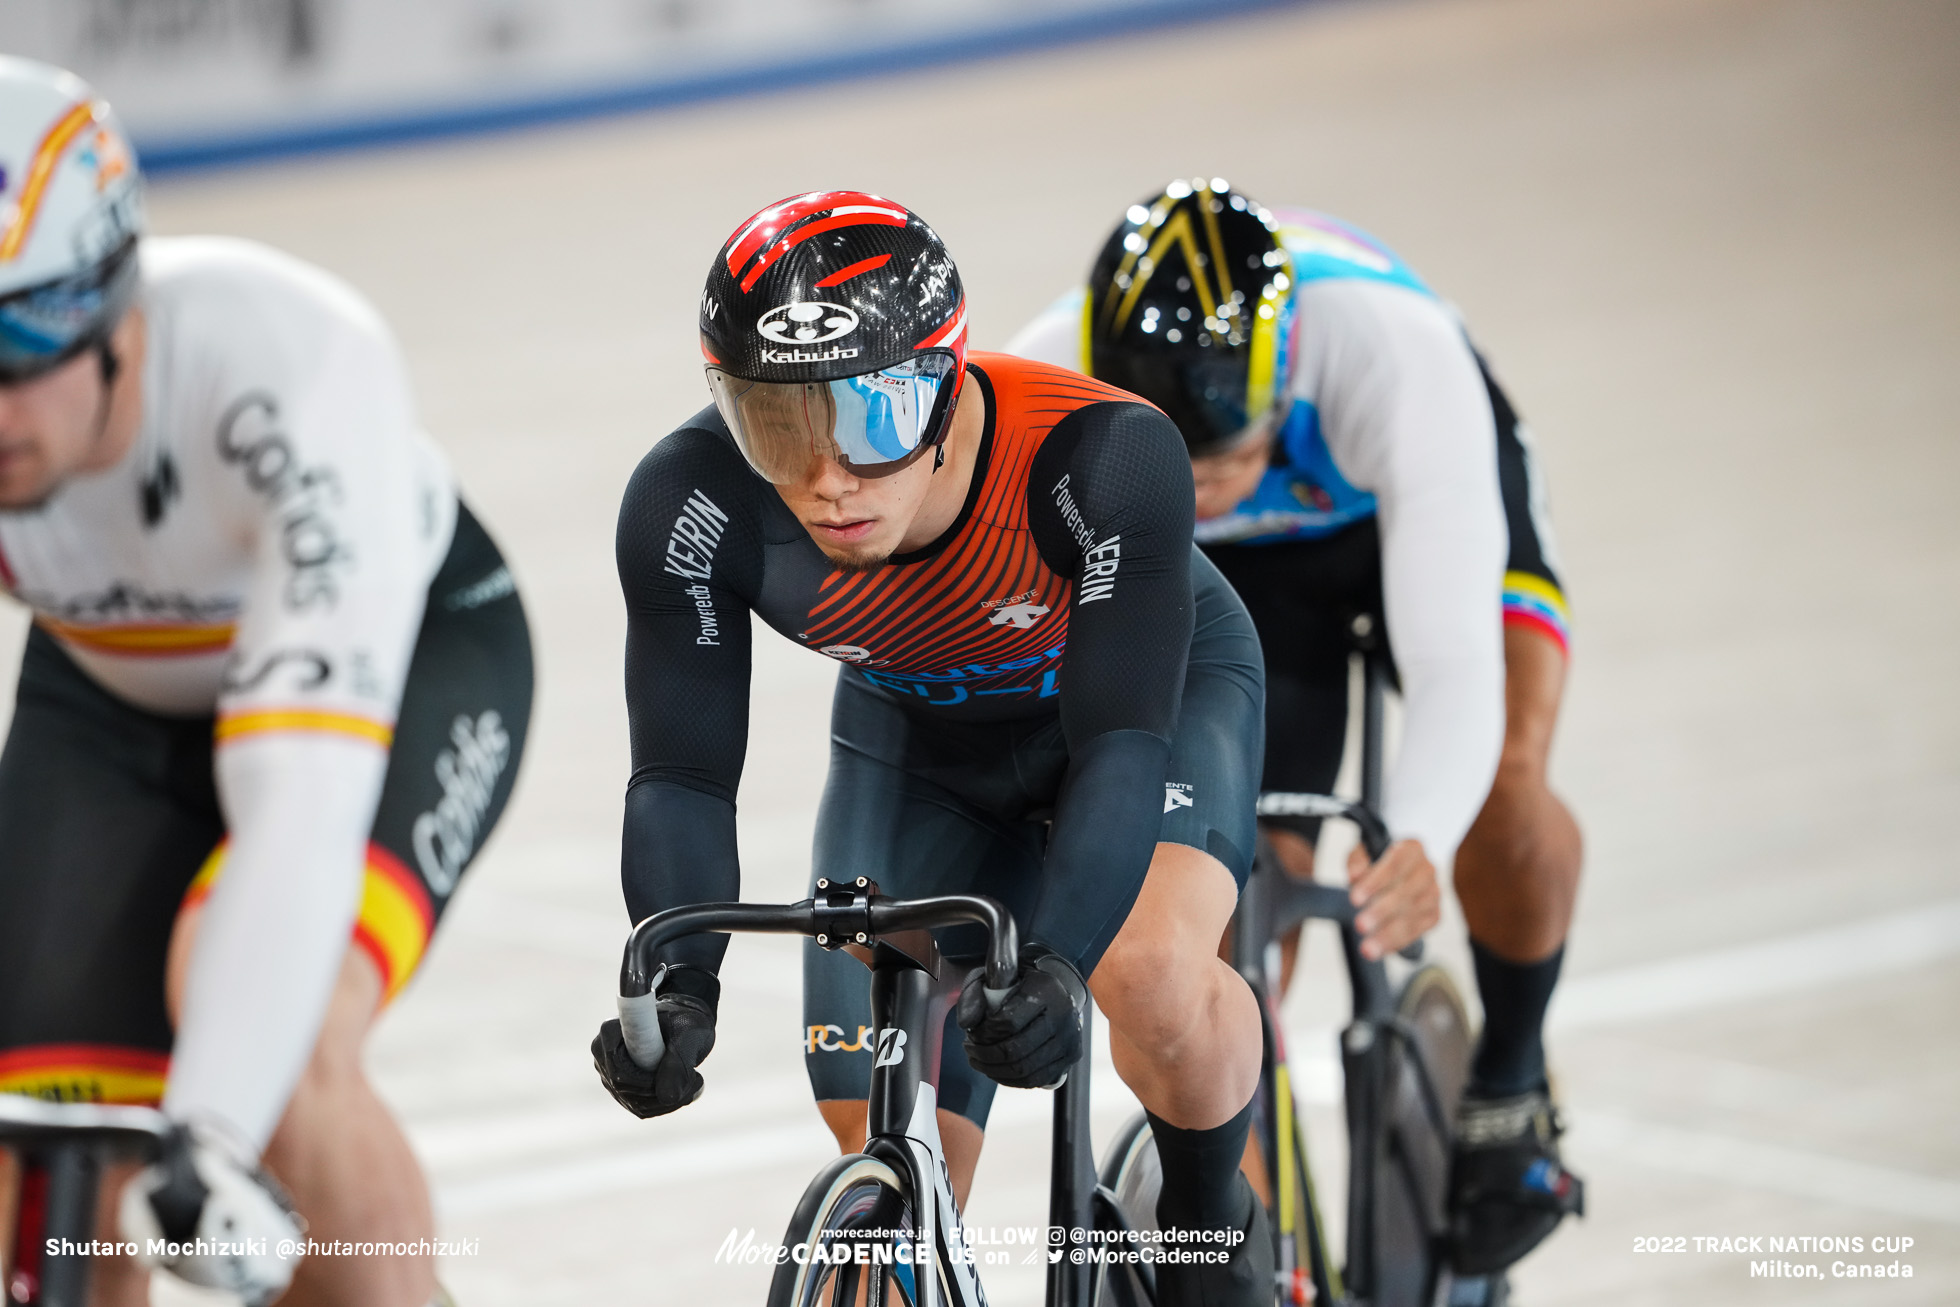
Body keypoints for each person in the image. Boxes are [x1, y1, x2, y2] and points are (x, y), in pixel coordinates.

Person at [592, 189, 1440, 1305]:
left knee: (1142, 971)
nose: (826, 477)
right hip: (917, 740)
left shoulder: (1102, 456)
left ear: (946, 384)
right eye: (777, 426)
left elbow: (1123, 750)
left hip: (1151, 708)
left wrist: (1057, 957)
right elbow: (682, 775)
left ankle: (1208, 1231)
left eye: (869, 419)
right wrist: (678, 980)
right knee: (873, 1107)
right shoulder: (686, 500)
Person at [0, 57, 532, 1307]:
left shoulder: (289, 363)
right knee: (37, 1146)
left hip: (403, 668)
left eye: (22, 335)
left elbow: (298, 798)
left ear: (116, 297)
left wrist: (215, 1132)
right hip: (108, 698)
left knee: (281, 1068)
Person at [1006, 178, 1586, 1276]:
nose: (1215, 481)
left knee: (1503, 783)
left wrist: (1413, 829)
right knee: (1219, 908)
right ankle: (1250, 1250)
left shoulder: (1391, 350)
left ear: (1283, 377)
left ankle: (1509, 1080)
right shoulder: (1045, 374)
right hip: (1213, 574)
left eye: (1228, 450)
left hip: (1388, 523)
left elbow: (1454, 660)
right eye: (1189, 459)